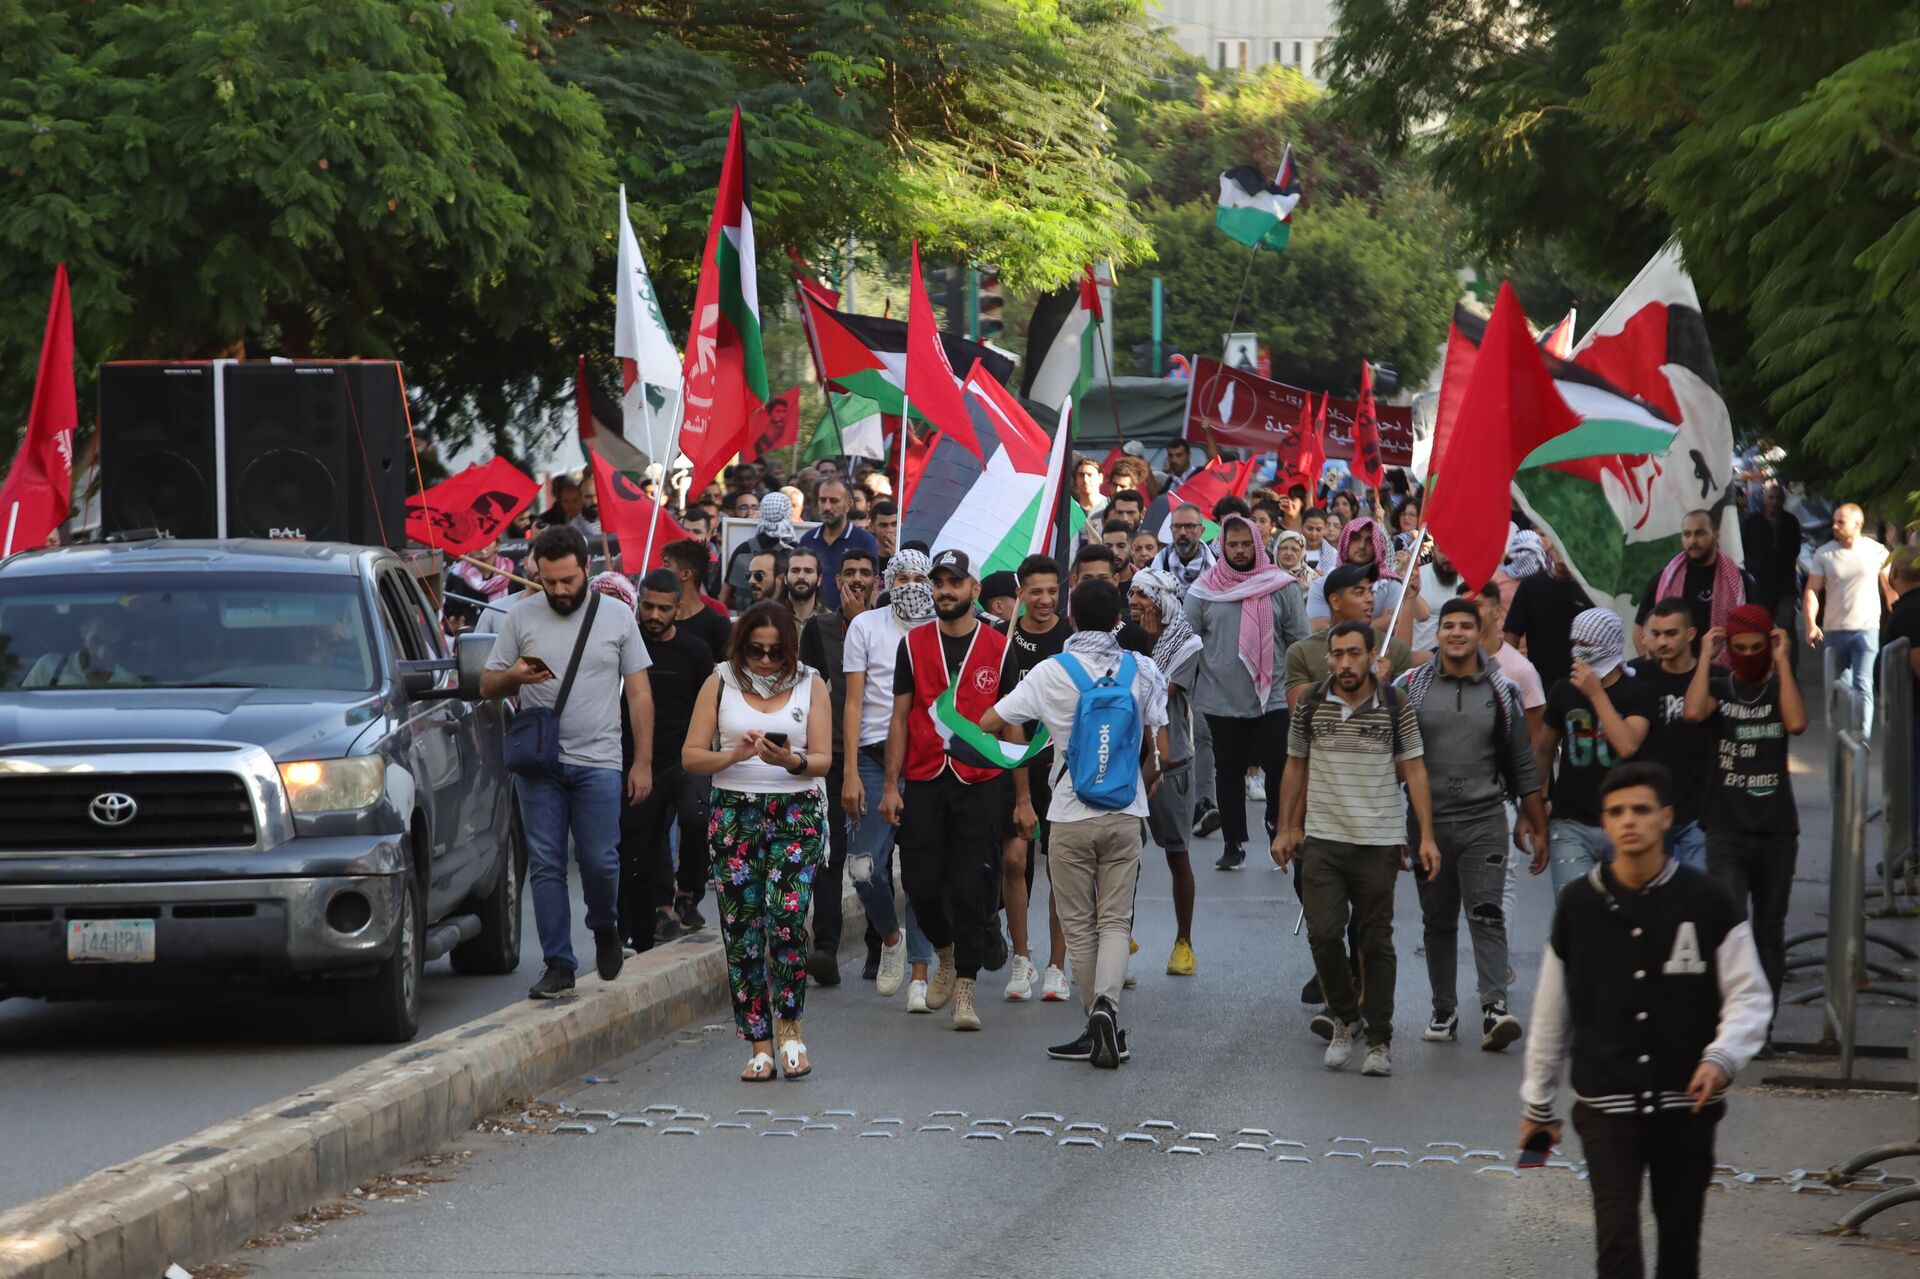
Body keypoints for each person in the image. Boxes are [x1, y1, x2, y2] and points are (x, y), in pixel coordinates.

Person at [1520, 761, 1772, 1279]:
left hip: (1688, 1105)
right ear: (1605, 823)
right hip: (1606, 1105)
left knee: (1679, 1244)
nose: (1628, 821)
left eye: (1641, 810)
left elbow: (1750, 995)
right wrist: (1538, 1105)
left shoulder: (1708, 902)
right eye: (1616, 812)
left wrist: (1722, 1057)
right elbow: (1551, 1013)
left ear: (1666, 817)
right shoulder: (1577, 906)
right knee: (1616, 1241)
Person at [978, 579, 1169, 1068]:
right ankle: (1107, 1008)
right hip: (1126, 812)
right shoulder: (1142, 669)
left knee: (1078, 924)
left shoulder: (1050, 671)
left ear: (1073, 619)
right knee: (1114, 920)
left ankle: (1094, 1018)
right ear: (1118, 620)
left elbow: (990, 723)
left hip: (1068, 811)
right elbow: (1158, 743)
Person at [481, 526, 654, 1000]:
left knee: (600, 861)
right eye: (549, 582)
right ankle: (558, 962)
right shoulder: (521, 616)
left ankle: (604, 926)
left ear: (586, 570)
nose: (558, 591)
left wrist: (642, 763)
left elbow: (639, 693)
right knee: (546, 864)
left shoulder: (618, 616)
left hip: (600, 761)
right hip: (540, 763)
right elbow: (488, 685)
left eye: (568, 581)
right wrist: (514, 676)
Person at [1273, 620, 1436, 1078]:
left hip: (1379, 840)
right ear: (1329, 657)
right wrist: (1286, 828)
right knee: (1323, 934)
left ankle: (1379, 1039)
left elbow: (1417, 770)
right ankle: (1345, 1017)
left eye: (1354, 654)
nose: (1345, 663)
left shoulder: (1394, 704)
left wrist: (1426, 835)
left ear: (1370, 657)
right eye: (1337, 654)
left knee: (1375, 940)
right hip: (1324, 838)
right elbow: (1295, 765)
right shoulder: (1310, 703)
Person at [681, 602, 833, 1081]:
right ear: (740, 645)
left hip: (795, 810)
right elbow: (690, 756)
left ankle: (790, 1029)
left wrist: (789, 762)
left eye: (775, 653)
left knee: (787, 920)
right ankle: (759, 1043)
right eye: (754, 651)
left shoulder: (812, 683)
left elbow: (824, 759)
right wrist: (734, 755)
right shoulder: (720, 681)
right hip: (734, 812)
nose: (765, 661)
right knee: (742, 931)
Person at [1395, 597, 1546, 1051]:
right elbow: (1392, 757)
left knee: (1486, 912)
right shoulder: (1409, 687)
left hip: (1485, 818)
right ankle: (1443, 1011)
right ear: (1437, 633)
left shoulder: (1504, 691)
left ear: (1480, 632)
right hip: (1427, 825)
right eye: (1449, 626)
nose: (1457, 633)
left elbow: (1522, 760)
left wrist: (1535, 821)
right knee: (1437, 920)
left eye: (1466, 625)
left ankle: (1494, 1010)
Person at [880, 549, 1010, 1032]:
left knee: (972, 884)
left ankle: (966, 990)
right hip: (925, 777)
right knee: (919, 882)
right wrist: (890, 785)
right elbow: (899, 718)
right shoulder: (913, 644)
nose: (945, 591)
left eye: (955, 582)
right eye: (939, 583)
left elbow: (1014, 727)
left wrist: (1021, 798)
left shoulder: (999, 645)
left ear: (974, 589)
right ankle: (945, 952)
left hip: (980, 780)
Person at [1683, 606, 1808, 1039]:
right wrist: (1705, 657)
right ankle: (1730, 1022)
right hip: (1726, 828)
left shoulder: (1779, 688)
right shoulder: (1720, 686)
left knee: (1769, 933)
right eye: (1741, 649)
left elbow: (1795, 722)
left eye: (1757, 647)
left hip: (1776, 829)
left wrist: (1782, 662)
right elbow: (1694, 712)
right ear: (1728, 649)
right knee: (1731, 927)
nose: (1750, 655)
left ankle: (1762, 1028)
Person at [1186, 514, 1309, 870]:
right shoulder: (1204, 589)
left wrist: (1303, 692)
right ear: (1222, 547)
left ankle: (1276, 826)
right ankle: (1233, 842)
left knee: (1277, 764)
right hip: (1220, 697)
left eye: (1244, 544)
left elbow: (1299, 640)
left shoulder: (1280, 585)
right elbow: (1188, 641)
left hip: (1273, 696)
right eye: (1232, 545)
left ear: (1257, 544)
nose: (1239, 551)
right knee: (1228, 769)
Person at [842, 551, 936, 1003]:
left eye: (922, 578)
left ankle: (920, 973)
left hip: (925, 760)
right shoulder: (865, 626)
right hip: (872, 759)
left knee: (921, 869)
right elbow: (854, 701)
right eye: (904, 577)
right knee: (862, 866)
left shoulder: (941, 629)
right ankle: (890, 939)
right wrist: (848, 772)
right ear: (888, 581)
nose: (913, 585)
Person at [621, 570, 717, 952]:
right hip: (637, 760)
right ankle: (639, 929)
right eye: (648, 607)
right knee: (638, 847)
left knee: (697, 818)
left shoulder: (695, 651)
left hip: (685, 759)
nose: (654, 615)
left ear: (679, 608)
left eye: (664, 608)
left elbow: (707, 706)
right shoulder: (627, 646)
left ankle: (687, 891)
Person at [797, 547, 879, 985]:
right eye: (850, 572)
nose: (858, 580)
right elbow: (808, 686)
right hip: (829, 754)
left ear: (877, 582)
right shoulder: (820, 628)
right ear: (836, 580)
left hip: (875, 755)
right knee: (829, 854)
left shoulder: (889, 628)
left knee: (873, 859)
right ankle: (825, 947)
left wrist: (864, 621)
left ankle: (876, 945)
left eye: (866, 573)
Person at [996, 554, 1074, 1003]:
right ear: (1020, 593)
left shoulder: (1072, 641)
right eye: (1036, 592)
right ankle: (1021, 958)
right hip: (1016, 766)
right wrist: (1022, 794)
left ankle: (1057, 967)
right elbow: (1009, 717)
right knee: (1014, 861)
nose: (1045, 601)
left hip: (1064, 771)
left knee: (1060, 868)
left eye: (1053, 591)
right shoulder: (1004, 641)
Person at [1535, 608, 1655, 893]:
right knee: (1575, 917)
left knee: (1622, 919)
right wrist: (1537, 806)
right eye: (1575, 643)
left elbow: (1627, 745)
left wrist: (1596, 694)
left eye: (1588, 645)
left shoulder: (1639, 692)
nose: (1579, 651)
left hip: (1624, 825)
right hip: (1570, 824)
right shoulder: (1563, 690)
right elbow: (1543, 751)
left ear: (1611, 644)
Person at [1130, 566, 1203, 975]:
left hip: (1171, 762)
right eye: (1132, 595)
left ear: (1161, 599)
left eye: (1142, 595)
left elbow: (1158, 690)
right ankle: (1123, 932)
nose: (1134, 603)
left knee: (1177, 855)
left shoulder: (1186, 645)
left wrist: (1134, 653)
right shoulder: (1126, 636)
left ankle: (1184, 942)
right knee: (1124, 857)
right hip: (1126, 761)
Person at [1637, 599, 1717, 872]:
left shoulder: (1715, 677)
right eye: (1656, 634)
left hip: (1699, 811)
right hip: (1652, 810)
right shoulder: (1637, 676)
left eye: (1671, 633)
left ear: (1691, 634)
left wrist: (1705, 658)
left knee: (1695, 898)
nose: (1662, 642)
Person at [1804, 502, 1892, 733]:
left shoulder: (1876, 551)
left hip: (1866, 629)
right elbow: (1812, 590)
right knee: (1840, 686)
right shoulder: (1825, 553)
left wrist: (1898, 616)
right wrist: (1811, 624)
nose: (1834, 526)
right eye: (1834, 521)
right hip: (1834, 630)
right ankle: (1841, 735)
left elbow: (1891, 588)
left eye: (1840, 522)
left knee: (1863, 683)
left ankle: (1862, 737)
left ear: (1858, 524)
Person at [1634, 510, 1753, 657]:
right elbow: (1640, 630)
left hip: (1722, 675)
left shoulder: (1740, 580)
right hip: (1673, 673)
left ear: (1716, 536)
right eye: (1687, 534)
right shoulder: (1664, 579)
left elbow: (1754, 630)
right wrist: (1653, 670)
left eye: (1700, 533)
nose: (1692, 541)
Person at [1504, 531, 1594, 688]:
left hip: (1576, 680)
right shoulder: (1531, 586)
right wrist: (1508, 672)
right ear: (1551, 548)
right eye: (1559, 549)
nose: (1562, 558)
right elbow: (1512, 633)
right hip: (1537, 679)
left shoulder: (1589, 591)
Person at [1306, 515, 1416, 634]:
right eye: (1356, 538)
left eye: (1369, 540)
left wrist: (1338, 627)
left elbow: (1394, 634)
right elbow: (1319, 633)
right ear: (1345, 541)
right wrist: (1379, 624)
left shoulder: (1390, 586)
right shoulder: (1321, 584)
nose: (1362, 545)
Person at [1742, 483, 1804, 677]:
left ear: (1783, 500)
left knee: (1785, 626)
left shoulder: (1791, 522)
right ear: (1764, 499)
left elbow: (1795, 549)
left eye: (1778, 498)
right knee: (1760, 627)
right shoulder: (1751, 522)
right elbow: (1744, 548)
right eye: (1771, 498)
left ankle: (1788, 668)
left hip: (1785, 584)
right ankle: (1761, 669)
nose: (1774, 502)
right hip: (1759, 585)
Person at [797, 479, 880, 612]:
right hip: (813, 619)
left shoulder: (865, 540)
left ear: (848, 505)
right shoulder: (807, 540)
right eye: (822, 500)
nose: (827, 507)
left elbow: (873, 587)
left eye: (834, 501)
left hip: (850, 619)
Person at [660, 539, 732, 659]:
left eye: (667, 565)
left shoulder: (718, 625)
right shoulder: (659, 619)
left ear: (685, 574)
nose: (660, 569)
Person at [725, 492, 797, 610]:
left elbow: (724, 598)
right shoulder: (795, 552)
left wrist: (746, 605)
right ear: (788, 512)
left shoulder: (743, 548)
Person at [1147, 503, 1217, 589]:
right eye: (1177, 526)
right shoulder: (1152, 567)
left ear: (1201, 530)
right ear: (1171, 529)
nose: (1182, 532)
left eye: (1189, 526)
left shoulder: (1218, 568)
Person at [783, 547, 824, 627]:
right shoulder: (771, 617)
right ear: (785, 578)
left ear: (819, 579)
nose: (801, 576)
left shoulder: (830, 621)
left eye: (808, 571)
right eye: (795, 571)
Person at [1300, 508, 1339, 574]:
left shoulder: (1334, 555)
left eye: (1318, 530)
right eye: (1309, 529)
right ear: (1301, 527)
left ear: (1325, 529)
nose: (1314, 534)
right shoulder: (1291, 551)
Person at [870, 499, 899, 568]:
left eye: (894, 524)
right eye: (883, 525)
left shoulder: (909, 553)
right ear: (871, 527)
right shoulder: (867, 554)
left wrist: (897, 557)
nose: (890, 530)